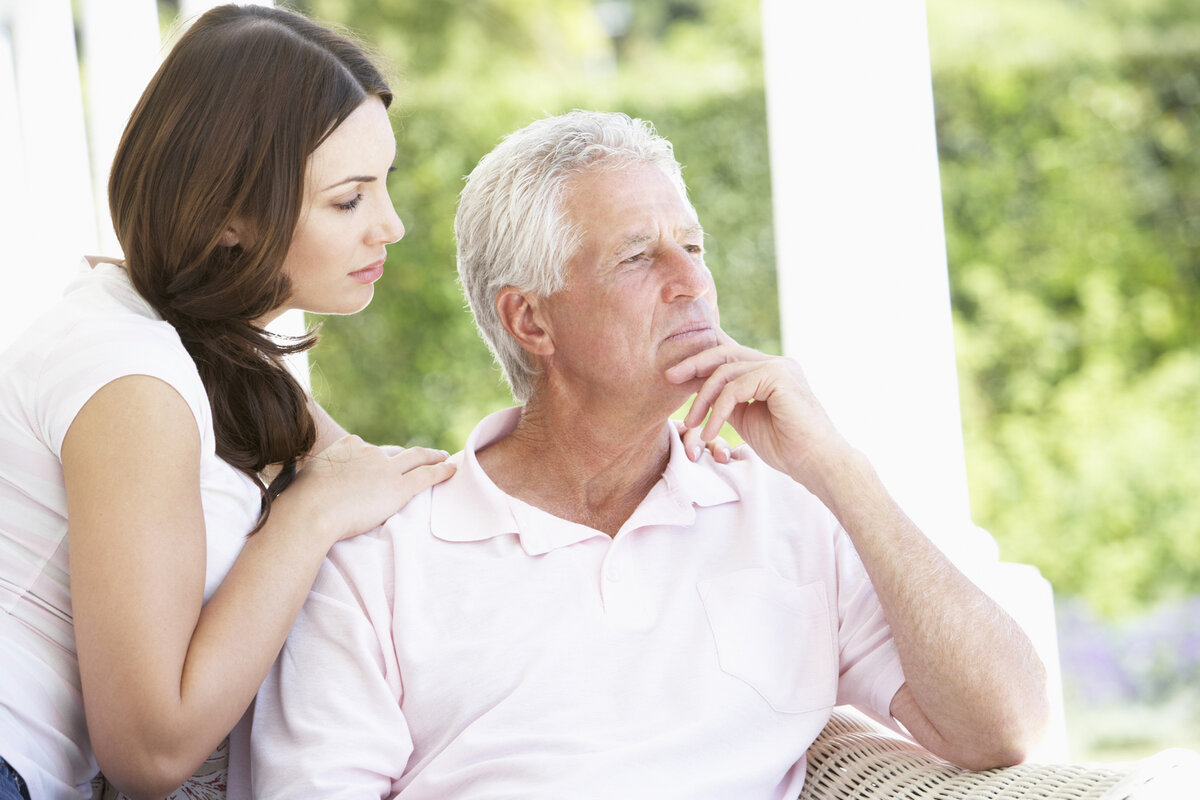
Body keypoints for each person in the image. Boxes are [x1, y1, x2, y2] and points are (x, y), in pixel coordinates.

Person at [249, 110, 1051, 798]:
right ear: (531, 321)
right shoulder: (383, 553)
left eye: (694, 247)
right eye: (639, 256)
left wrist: (839, 470)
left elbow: (1002, 727)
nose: (692, 282)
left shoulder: (790, 509)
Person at [0, 5, 463, 799]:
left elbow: (386, 482)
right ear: (229, 218)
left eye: (382, 183)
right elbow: (149, 752)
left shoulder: (200, 347)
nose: (390, 225)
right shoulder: (132, 379)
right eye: (348, 201)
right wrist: (306, 519)